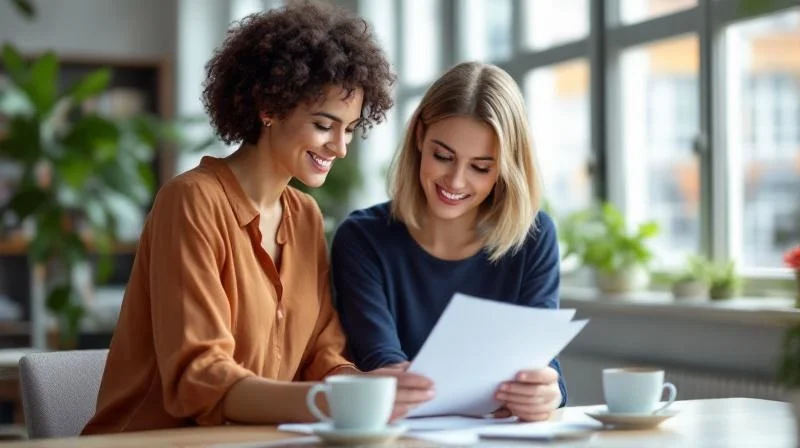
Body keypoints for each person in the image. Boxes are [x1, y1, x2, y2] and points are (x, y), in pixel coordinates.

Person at [82, 3, 433, 434]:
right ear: (270, 106)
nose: (339, 148)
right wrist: (330, 401)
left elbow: (320, 355)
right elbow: (202, 377)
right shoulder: (191, 202)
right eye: (325, 125)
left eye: (350, 129)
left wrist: (368, 386)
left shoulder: (304, 215)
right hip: (150, 443)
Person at [331, 61, 566, 422]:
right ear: (419, 135)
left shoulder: (532, 238)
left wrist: (546, 392)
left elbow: (539, 361)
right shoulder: (363, 239)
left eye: (481, 167)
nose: (455, 182)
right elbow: (383, 366)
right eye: (443, 156)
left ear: (505, 168)